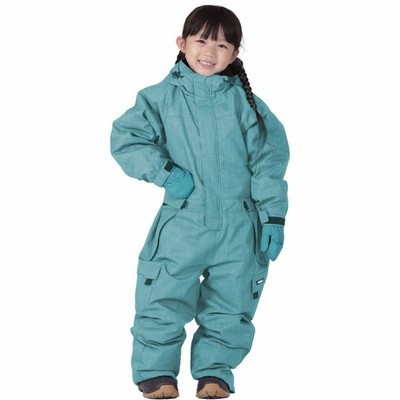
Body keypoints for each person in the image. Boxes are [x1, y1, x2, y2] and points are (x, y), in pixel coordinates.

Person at [110, 5, 289, 399]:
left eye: (222, 45)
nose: (210, 51)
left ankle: (214, 373)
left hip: (240, 225)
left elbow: (269, 161)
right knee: (162, 294)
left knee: (232, 301)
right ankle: (157, 372)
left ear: (235, 53)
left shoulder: (248, 105)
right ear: (182, 43)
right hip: (183, 222)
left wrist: (273, 216)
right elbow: (126, 138)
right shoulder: (160, 99)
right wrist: (165, 173)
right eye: (202, 41)